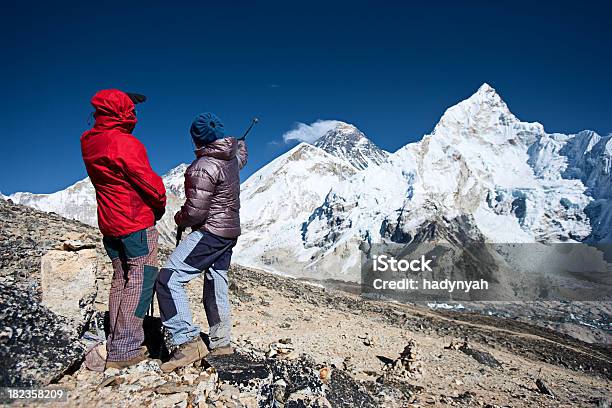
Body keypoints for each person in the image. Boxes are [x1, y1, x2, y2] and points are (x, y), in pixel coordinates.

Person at [80, 89, 167, 369]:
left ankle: (116, 339)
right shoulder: (125, 143)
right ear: (123, 113)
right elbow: (149, 183)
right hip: (134, 220)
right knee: (142, 279)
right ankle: (126, 349)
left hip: (109, 222)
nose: (136, 115)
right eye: (132, 110)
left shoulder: (90, 141)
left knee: (121, 278)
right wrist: (161, 203)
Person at [156, 112, 247, 373]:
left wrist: (179, 218)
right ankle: (221, 342)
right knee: (217, 278)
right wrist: (240, 144)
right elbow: (242, 156)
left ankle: (186, 342)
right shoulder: (231, 159)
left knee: (169, 278)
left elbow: (195, 212)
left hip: (210, 232)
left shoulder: (203, 166)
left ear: (196, 139)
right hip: (230, 232)